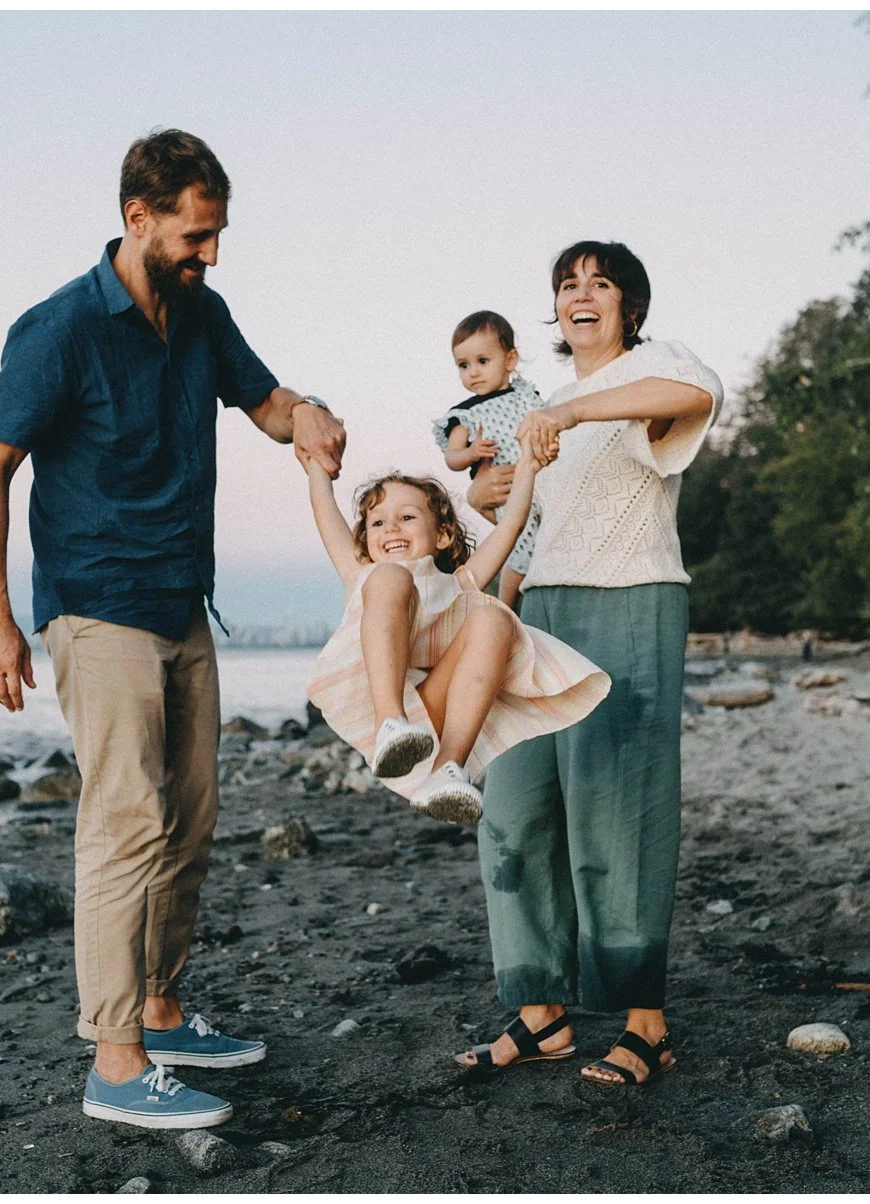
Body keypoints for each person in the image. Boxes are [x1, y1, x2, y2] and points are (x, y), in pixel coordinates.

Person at [0, 128, 346, 1129]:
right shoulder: (56, 330)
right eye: (196, 234)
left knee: (192, 819)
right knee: (126, 820)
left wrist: (307, 413)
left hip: (184, 602)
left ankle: (164, 1008)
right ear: (139, 219)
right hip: (95, 606)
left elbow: (264, 403)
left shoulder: (202, 312)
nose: (210, 253)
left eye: (218, 234)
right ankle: (117, 1058)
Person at [454, 241, 723, 1088]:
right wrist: (485, 492)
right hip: (540, 610)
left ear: (628, 305)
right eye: (567, 284)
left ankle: (648, 1023)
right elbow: (511, 501)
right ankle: (542, 1016)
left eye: (599, 284)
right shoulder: (540, 398)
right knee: (514, 809)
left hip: (630, 598)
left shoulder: (654, 364)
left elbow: (699, 394)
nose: (581, 295)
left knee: (620, 811)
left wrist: (574, 418)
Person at [302, 443, 608, 823]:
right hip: (372, 705)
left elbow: (512, 524)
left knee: (492, 617)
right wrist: (317, 464)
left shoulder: (460, 585)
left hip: (432, 716)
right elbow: (325, 512)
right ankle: (389, 722)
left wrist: (528, 466)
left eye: (407, 517)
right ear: (364, 542)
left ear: (443, 535)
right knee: (391, 578)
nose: (391, 528)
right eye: (377, 523)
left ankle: (448, 769)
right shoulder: (361, 573)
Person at [431, 311, 547, 608]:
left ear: (510, 360)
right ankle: (507, 608)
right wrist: (471, 452)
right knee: (521, 545)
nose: (473, 372)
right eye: (463, 365)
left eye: (483, 361)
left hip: (541, 478)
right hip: (507, 489)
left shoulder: (524, 394)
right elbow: (452, 457)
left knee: (543, 541)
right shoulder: (467, 413)